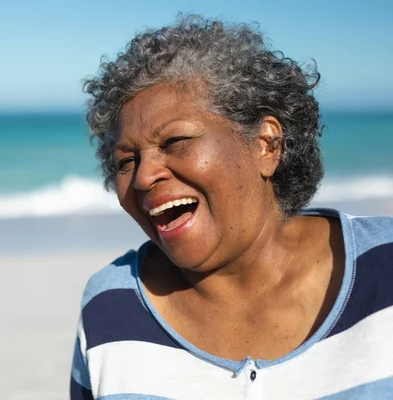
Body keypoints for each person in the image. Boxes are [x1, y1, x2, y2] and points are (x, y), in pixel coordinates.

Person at [70, 14, 393, 400]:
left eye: (174, 141)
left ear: (266, 145)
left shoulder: (384, 266)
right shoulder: (110, 307)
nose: (142, 177)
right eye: (126, 161)